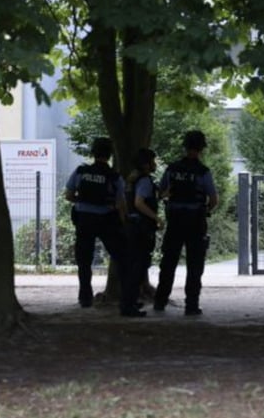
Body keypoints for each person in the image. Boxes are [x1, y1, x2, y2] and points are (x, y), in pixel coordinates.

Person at [65, 137, 143, 317]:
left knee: (84, 260)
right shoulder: (114, 177)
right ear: (109, 155)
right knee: (123, 259)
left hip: (84, 220)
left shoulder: (81, 171)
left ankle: (85, 298)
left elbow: (69, 195)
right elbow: (121, 203)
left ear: (93, 153)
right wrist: (124, 223)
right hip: (107, 220)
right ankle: (127, 301)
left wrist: (83, 201)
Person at [153, 130, 218, 316]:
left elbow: (160, 193)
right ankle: (191, 305)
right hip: (196, 221)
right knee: (195, 265)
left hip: (174, 219)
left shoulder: (172, 169)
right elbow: (213, 200)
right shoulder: (203, 172)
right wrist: (205, 211)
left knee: (168, 262)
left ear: (185, 146)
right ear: (202, 148)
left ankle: (160, 301)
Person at [125, 148, 163, 307]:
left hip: (132, 226)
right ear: (146, 164)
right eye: (152, 161)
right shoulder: (145, 181)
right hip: (141, 227)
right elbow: (139, 203)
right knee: (139, 264)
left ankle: (131, 300)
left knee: (135, 264)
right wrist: (156, 218)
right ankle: (130, 302)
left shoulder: (134, 179)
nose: (154, 164)